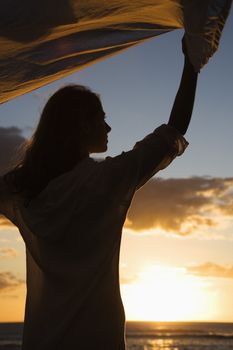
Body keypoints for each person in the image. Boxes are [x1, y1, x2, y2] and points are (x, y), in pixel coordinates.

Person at [0, 37, 198, 350]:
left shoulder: (22, 189)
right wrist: (192, 65)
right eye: (101, 118)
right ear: (82, 126)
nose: (108, 127)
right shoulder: (108, 180)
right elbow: (174, 130)